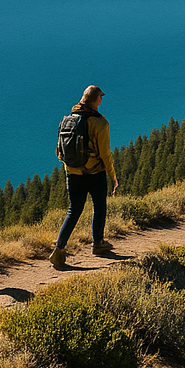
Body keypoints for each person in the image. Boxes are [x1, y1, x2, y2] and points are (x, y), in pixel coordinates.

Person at [49, 85, 119, 269]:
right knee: (99, 207)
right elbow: (105, 154)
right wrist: (113, 176)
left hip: (73, 173)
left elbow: (59, 151)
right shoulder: (100, 123)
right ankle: (98, 243)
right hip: (95, 173)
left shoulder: (68, 120)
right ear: (97, 100)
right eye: (100, 98)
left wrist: (72, 167)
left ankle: (59, 249)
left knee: (74, 211)